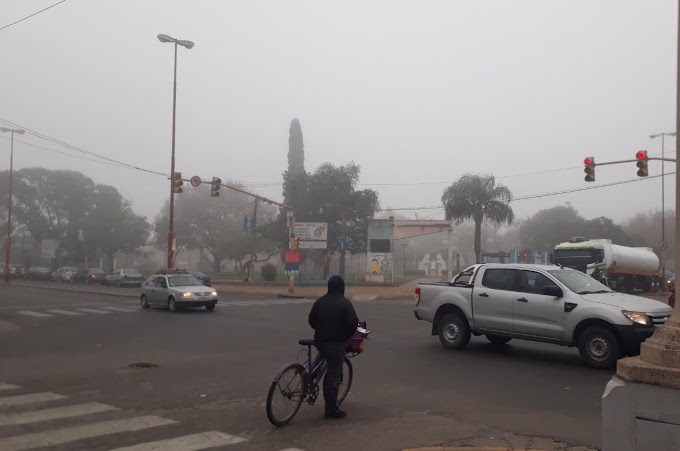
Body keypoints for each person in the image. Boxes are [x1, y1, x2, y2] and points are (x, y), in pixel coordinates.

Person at [308, 275, 359, 419]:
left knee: (323, 353)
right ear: (342, 288)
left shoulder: (320, 302)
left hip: (320, 341)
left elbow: (311, 321)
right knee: (333, 377)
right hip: (336, 344)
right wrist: (345, 336)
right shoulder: (345, 303)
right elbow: (352, 324)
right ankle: (331, 410)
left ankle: (308, 376)